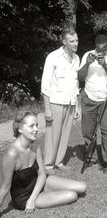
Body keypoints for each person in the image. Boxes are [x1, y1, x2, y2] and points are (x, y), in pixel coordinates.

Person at [0, 111, 87, 212]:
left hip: (39, 183)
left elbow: (41, 174)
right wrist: (31, 200)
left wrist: (34, 197)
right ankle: (45, 194)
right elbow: (5, 188)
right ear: (20, 129)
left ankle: (45, 192)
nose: (36, 129)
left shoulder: (35, 144)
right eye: (31, 126)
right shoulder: (12, 153)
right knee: (72, 195)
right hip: (24, 197)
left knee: (82, 187)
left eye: (36, 125)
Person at [41, 25, 81, 175]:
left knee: (65, 134)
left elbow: (76, 83)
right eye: (72, 41)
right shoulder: (53, 57)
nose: (76, 43)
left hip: (71, 102)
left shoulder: (76, 58)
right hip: (56, 102)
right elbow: (45, 84)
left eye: (77, 40)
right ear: (64, 42)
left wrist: (77, 106)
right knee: (53, 134)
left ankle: (59, 161)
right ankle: (48, 165)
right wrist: (47, 108)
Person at [78, 34, 107, 173]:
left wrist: (104, 65)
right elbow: (80, 77)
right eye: (98, 48)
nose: (101, 51)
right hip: (89, 97)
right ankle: (91, 157)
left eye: (104, 48)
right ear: (95, 46)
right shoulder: (87, 55)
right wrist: (87, 63)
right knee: (88, 131)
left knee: (106, 129)